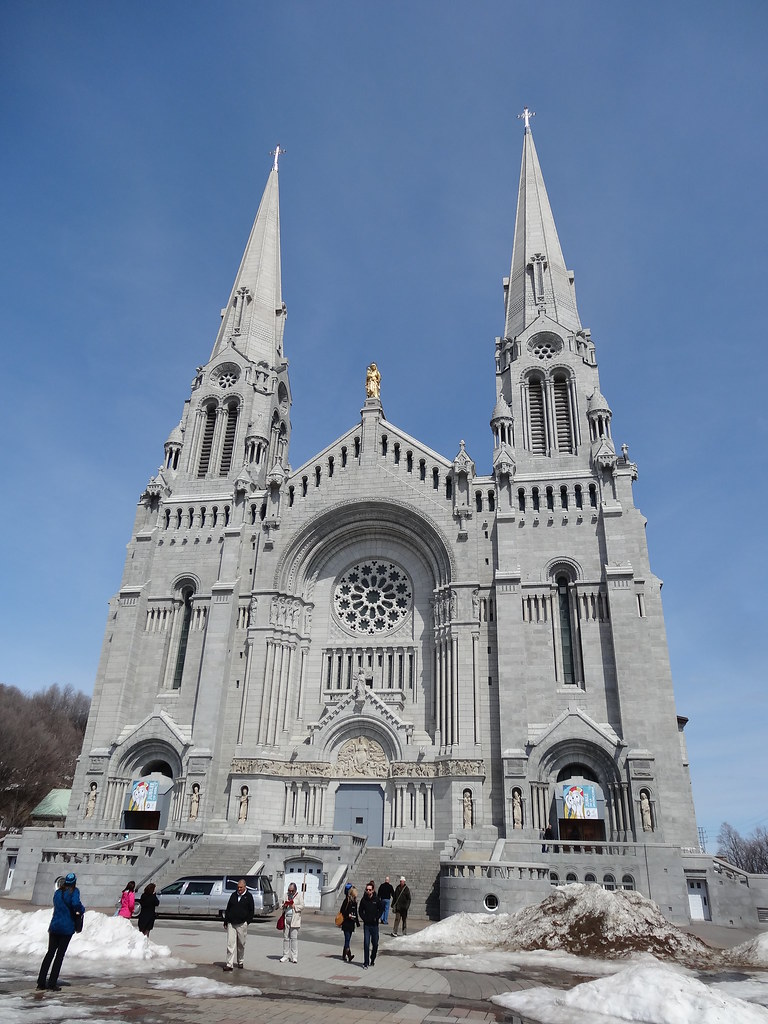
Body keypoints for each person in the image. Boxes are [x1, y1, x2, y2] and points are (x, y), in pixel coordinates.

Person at [37, 872, 85, 991]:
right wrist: (81, 909)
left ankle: (41, 982)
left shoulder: (58, 892)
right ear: (74, 882)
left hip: (54, 926)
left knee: (50, 953)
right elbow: (75, 904)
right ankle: (52, 983)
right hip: (66, 927)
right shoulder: (74, 891)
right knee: (59, 956)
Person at [222, 878, 255, 971]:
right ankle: (229, 964)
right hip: (231, 923)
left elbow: (251, 910)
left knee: (241, 944)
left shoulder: (248, 896)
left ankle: (240, 961)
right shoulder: (233, 895)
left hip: (242, 924)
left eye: (241, 887)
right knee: (230, 945)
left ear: (245, 887)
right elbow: (228, 908)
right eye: (238, 887)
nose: (239, 889)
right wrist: (226, 921)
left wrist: (247, 922)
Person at [358, 879, 382, 969]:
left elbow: (381, 909)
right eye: (367, 889)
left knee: (375, 944)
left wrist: (377, 917)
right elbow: (360, 910)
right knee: (366, 943)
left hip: (374, 925)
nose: (368, 891)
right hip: (367, 925)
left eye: (369, 890)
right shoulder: (364, 900)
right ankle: (366, 962)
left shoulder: (377, 899)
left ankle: (372, 958)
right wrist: (364, 918)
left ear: (373, 890)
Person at [279, 881, 304, 964]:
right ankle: (285, 955)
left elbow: (302, 906)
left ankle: (294, 956)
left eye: (292, 891)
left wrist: (294, 906)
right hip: (286, 919)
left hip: (295, 920)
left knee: (294, 939)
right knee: (286, 938)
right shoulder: (285, 895)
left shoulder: (299, 895)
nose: (290, 892)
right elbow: (280, 905)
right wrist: (284, 905)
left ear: (295, 890)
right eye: (289, 890)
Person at [339, 882, 359, 962]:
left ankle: (344, 955)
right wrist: (348, 915)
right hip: (346, 922)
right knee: (347, 939)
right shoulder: (346, 900)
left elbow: (356, 912)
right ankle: (349, 955)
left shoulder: (355, 902)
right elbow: (342, 911)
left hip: (351, 923)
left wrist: (357, 922)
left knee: (348, 939)